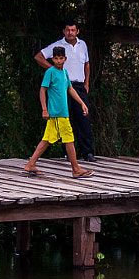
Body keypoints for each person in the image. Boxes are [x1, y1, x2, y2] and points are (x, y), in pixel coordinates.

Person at [24, 46, 93, 178]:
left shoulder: (65, 72)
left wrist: (82, 103)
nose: (58, 61)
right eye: (56, 58)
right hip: (57, 114)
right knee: (69, 139)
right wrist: (44, 109)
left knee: (47, 140)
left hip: (62, 113)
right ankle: (76, 169)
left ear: (65, 59)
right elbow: (42, 90)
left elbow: (70, 89)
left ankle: (30, 164)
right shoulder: (50, 72)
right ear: (52, 59)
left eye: (61, 58)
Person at [36, 22, 95, 163]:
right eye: (67, 30)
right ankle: (68, 154)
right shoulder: (58, 46)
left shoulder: (83, 45)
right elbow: (39, 56)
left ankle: (88, 153)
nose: (70, 33)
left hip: (79, 85)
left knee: (83, 119)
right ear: (63, 31)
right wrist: (54, 70)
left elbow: (87, 64)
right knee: (65, 119)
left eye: (73, 30)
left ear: (77, 31)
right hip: (62, 87)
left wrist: (87, 82)